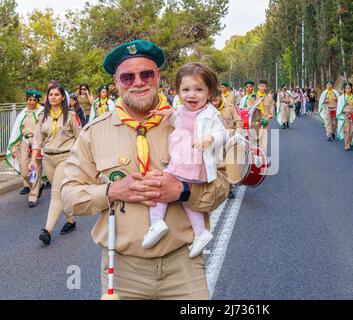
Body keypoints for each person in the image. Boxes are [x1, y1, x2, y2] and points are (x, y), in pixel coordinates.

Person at [61, 40, 229, 300]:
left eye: (146, 74)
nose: (137, 82)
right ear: (116, 82)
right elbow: (69, 196)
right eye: (128, 77)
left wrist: (182, 191)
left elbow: (222, 187)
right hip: (123, 272)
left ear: (158, 77)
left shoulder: (192, 122)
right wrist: (113, 190)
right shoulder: (93, 132)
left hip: (184, 266)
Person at [142, 62, 228, 258]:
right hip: (181, 158)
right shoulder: (180, 109)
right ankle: (201, 233)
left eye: (199, 90)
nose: (192, 95)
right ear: (178, 91)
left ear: (210, 92)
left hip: (193, 162)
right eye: (186, 89)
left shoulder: (210, 113)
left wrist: (211, 138)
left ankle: (156, 223)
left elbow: (223, 134)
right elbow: (179, 122)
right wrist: (168, 114)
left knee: (162, 186)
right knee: (186, 200)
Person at [29, 84, 82, 245]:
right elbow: (37, 140)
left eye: (56, 95)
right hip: (48, 159)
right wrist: (32, 160)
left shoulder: (71, 116)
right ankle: (71, 220)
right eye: (50, 94)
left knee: (56, 194)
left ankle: (47, 230)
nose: (53, 97)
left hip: (65, 158)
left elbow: (80, 138)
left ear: (62, 98)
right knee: (62, 194)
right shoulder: (42, 116)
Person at [6, 89, 45, 207]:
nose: (32, 102)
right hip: (24, 142)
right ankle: (38, 185)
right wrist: (14, 145)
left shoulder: (41, 113)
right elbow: (17, 130)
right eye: (30, 100)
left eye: (34, 100)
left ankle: (33, 196)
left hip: (37, 142)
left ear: (37, 101)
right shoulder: (22, 113)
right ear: (27, 100)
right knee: (24, 172)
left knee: (35, 169)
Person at [252, 80, 275, 151]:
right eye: (262, 86)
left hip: (264, 124)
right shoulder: (253, 97)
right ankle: (255, 160)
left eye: (265, 86)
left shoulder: (269, 99)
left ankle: (263, 160)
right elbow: (248, 110)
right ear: (258, 86)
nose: (264, 88)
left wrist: (266, 119)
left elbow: (271, 113)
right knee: (254, 143)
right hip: (254, 124)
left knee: (263, 143)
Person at [336, 82, 353, 151]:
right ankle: (347, 145)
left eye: (349, 88)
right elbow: (340, 108)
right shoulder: (342, 97)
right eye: (346, 88)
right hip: (345, 115)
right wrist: (345, 112)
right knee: (347, 130)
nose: (348, 89)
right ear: (344, 89)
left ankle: (351, 142)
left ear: (351, 88)